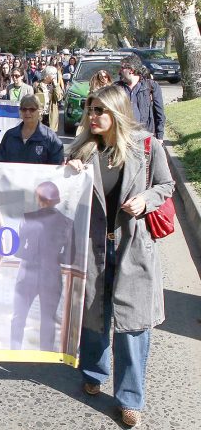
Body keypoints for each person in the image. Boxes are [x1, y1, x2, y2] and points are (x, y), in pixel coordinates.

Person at [66, 85, 174, 428]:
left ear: (117, 113)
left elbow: (166, 185)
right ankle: (95, 372)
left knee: (133, 327)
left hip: (132, 247)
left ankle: (130, 399)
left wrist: (146, 201)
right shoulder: (82, 150)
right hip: (93, 248)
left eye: (100, 111)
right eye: (90, 110)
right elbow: (60, 196)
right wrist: (68, 174)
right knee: (95, 316)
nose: (92, 117)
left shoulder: (146, 145)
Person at [10, 182, 73, 351]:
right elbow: (69, 256)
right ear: (57, 199)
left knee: (18, 317)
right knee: (48, 319)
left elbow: (17, 251)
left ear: (38, 198)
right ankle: (46, 355)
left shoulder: (28, 217)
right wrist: (53, 256)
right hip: (52, 275)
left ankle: (13, 352)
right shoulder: (67, 223)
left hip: (27, 273)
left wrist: (31, 252)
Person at [0, 95, 64, 165]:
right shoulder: (10, 135)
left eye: (32, 109)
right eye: (24, 109)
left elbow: (57, 167)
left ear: (40, 111)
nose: (27, 113)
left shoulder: (50, 138)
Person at [115, 54, 165, 142]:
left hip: (145, 136)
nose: (119, 71)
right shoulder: (116, 88)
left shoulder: (151, 86)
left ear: (131, 70)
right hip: (122, 138)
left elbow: (159, 113)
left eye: (122, 68)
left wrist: (159, 137)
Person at [35, 66, 61, 131]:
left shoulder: (55, 86)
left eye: (55, 74)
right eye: (53, 74)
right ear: (47, 75)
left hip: (50, 115)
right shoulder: (36, 85)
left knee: (49, 136)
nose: (55, 76)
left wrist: (56, 85)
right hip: (40, 115)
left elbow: (59, 98)